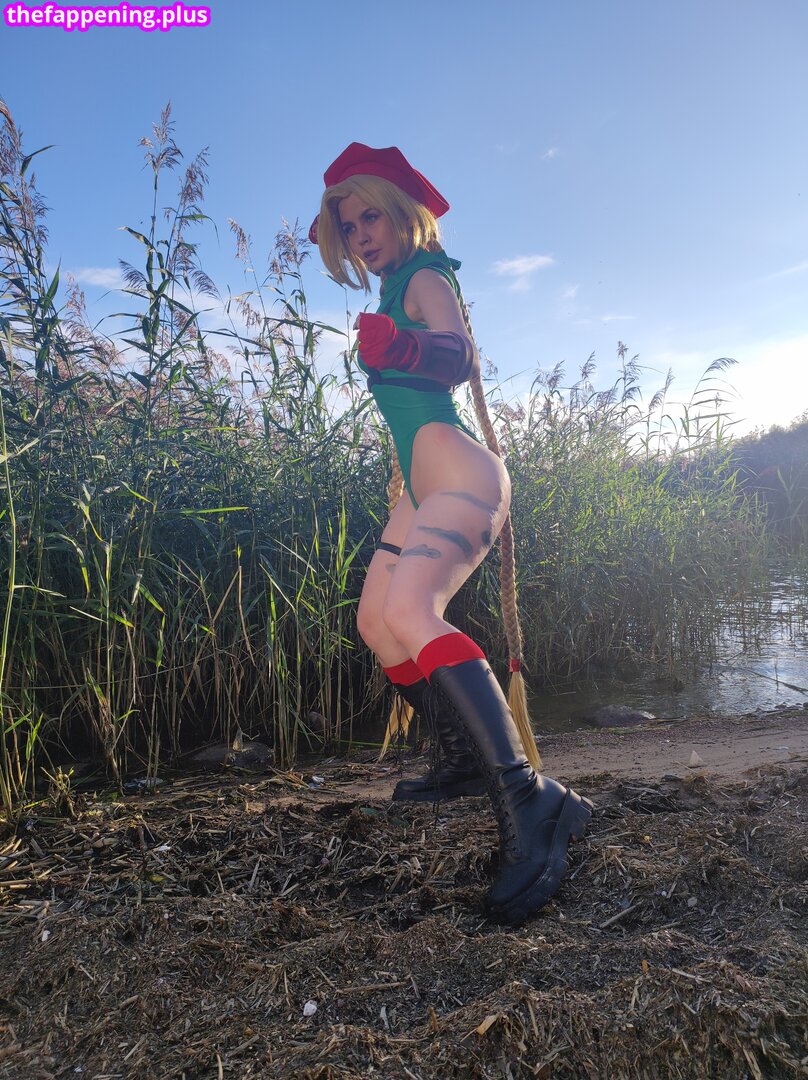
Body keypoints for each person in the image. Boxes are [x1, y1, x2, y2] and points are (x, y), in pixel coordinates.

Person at [310, 143, 592, 925]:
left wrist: (404, 347)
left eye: (371, 216)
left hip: (463, 478)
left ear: (403, 214)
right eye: (348, 225)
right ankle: (462, 757)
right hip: (423, 487)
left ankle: (530, 799)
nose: (361, 234)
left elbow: (459, 355)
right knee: (377, 621)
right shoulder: (393, 285)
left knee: (412, 611)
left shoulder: (426, 278)